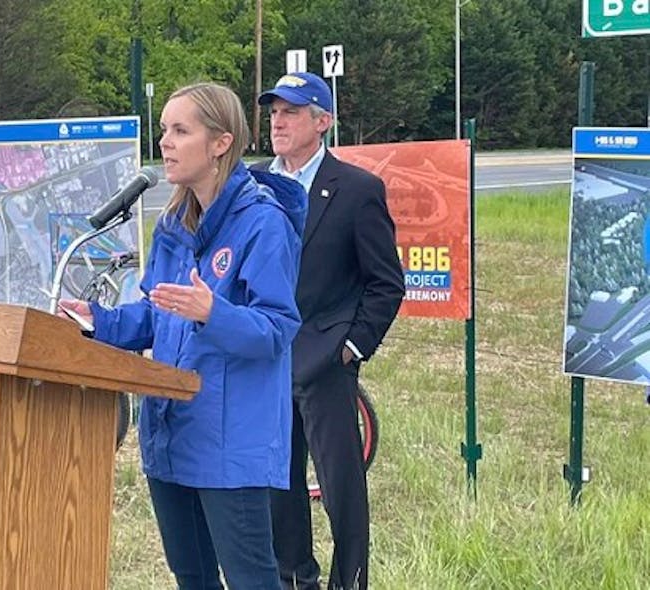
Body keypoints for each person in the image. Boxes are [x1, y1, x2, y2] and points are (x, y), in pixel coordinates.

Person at [58, 82, 307, 590]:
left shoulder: (264, 224)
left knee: (251, 579)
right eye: (163, 130)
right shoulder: (174, 223)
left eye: (180, 130)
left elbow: (277, 330)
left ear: (221, 142)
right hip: (170, 433)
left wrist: (215, 313)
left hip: (229, 444)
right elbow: (156, 314)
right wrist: (98, 321)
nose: (165, 142)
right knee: (191, 576)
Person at [253, 72, 405, 590]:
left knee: (341, 486)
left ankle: (350, 580)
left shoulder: (357, 190)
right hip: (265, 360)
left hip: (325, 362)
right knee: (278, 482)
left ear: (323, 121)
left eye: (291, 111)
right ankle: (294, 576)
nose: (277, 120)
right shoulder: (252, 186)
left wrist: (351, 347)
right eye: (273, 110)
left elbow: (385, 283)